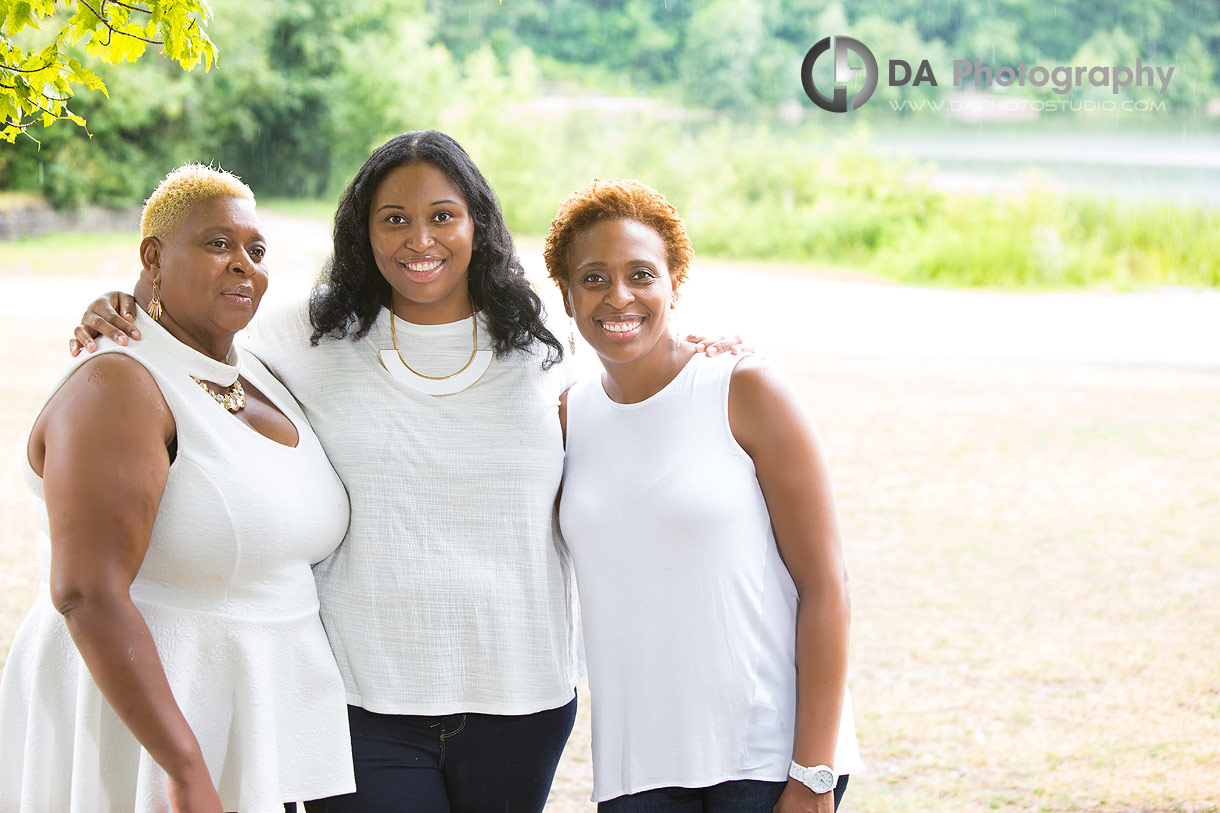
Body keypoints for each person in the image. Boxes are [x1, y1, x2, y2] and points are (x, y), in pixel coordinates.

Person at [67, 133, 742, 812]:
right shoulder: (308, 334)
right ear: (364, 232)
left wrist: (704, 351)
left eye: (443, 215)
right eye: (395, 219)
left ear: (477, 222)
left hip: (523, 700)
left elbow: (630, 363)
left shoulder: (539, 335)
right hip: (360, 703)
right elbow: (189, 330)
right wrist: (123, 301)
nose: (421, 238)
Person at [0, 164, 355, 812]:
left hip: (243, 713)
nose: (243, 264)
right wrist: (183, 763)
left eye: (256, 249)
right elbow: (86, 591)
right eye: (218, 243)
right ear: (153, 258)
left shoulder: (258, 369)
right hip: (143, 728)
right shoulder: (118, 384)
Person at [544, 178, 865, 812]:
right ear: (567, 295)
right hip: (635, 772)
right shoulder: (566, 416)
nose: (619, 297)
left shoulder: (744, 389)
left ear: (674, 282)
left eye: (641, 274)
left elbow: (827, 586)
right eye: (594, 278)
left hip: (764, 761)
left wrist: (814, 774)